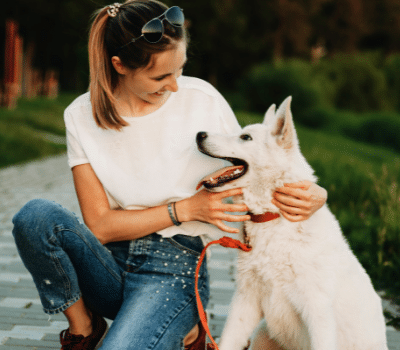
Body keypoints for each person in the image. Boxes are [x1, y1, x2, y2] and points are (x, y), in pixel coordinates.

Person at [11, 1, 328, 349]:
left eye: (179, 70)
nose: (175, 86)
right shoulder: (80, 115)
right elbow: (99, 225)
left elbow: (258, 169)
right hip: (107, 264)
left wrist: (316, 197)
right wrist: (185, 209)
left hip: (174, 267)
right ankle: (84, 327)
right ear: (119, 66)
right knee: (35, 217)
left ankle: (189, 329)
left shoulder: (202, 100)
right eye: (161, 77)